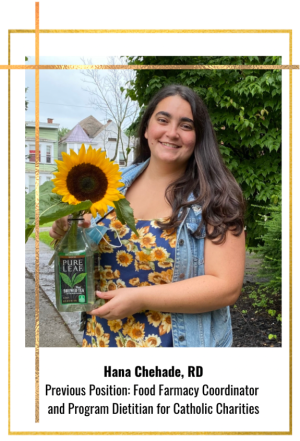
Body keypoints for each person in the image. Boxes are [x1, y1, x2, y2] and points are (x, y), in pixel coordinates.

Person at [50, 84, 245, 348]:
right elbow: (86, 256)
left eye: (186, 126)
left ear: (198, 137)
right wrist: (69, 232)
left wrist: (141, 298)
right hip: (102, 340)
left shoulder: (215, 197)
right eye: (162, 120)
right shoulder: (109, 187)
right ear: (146, 128)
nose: (172, 133)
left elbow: (226, 287)